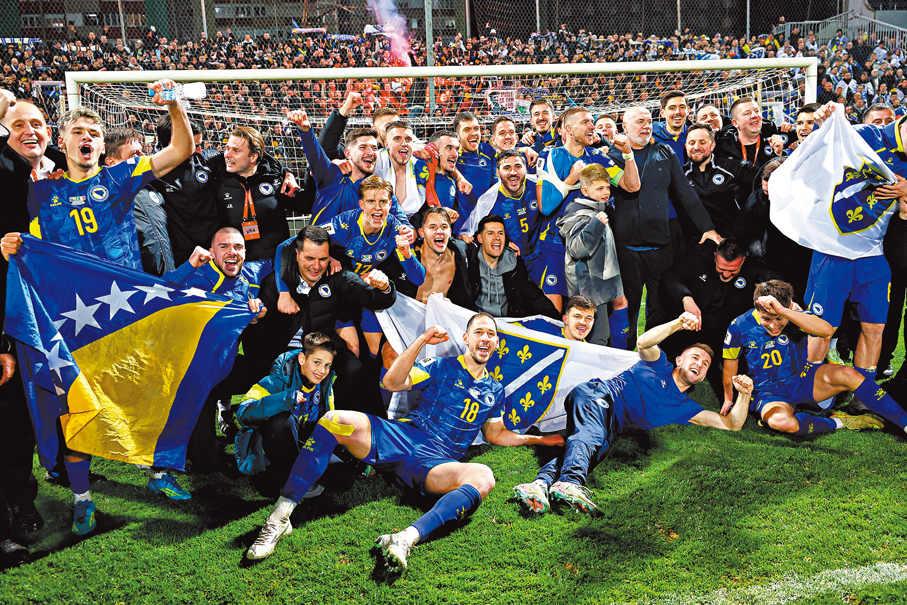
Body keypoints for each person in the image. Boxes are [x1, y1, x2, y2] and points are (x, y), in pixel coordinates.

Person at [2, 79, 194, 536]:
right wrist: (10, 244)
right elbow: (21, 240)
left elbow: (181, 149)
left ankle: (158, 472)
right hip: (75, 320)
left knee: (147, 394)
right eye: (78, 133)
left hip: (127, 312)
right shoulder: (39, 193)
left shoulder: (119, 177)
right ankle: (81, 498)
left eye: (94, 134)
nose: (87, 139)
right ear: (62, 142)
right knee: (78, 407)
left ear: (102, 146)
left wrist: (174, 105)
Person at [245, 314, 564, 568]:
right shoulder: (441, 366)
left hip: (437, 462)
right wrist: (421, 341)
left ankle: (404, 539)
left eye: (491, 334)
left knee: (483, 476)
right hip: (403, 437)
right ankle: (279, 518)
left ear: (496, 344)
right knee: (333, 419)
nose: (485, 337)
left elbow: (495, 434)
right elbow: (392, 381)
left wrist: (536, 439)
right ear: (466, 339)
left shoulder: (495, 391)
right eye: (478, 331)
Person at [512, 311, 753, 515]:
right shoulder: (659, 364)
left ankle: (538, 485)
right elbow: (644, 343)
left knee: (591, 451)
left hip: (612, 425)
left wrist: (744, 395)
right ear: (679, 360)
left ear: (702, 378)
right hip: (598, 395)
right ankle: (570, 482)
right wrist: (678, 323)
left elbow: (731, 424)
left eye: (705, 364)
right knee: (592, 437)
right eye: (695, 357)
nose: (699, 364)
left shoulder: (685, 408)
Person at [804, 102, 907, 406]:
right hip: (833, 249)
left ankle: (864, 392)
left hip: (875, 254)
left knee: (875, 327)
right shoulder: (866, 135)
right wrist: (823, 124)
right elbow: (817, 155)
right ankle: (809, 388)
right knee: (823, 327)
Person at [0, 91, 62, 565]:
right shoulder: (5, 174)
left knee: (22, 418)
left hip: (40, 320)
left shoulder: (51, 173)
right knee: (8, 419)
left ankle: (23, 499)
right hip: (8, 325)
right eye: (17, 124)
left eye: (37, 123)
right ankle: (11, 518)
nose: (29, 131)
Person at [246, 226, 397, 416]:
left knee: (352, 367)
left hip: (321, 349)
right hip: (283, 353)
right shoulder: (275, 284)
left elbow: (375, 298)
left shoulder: (337, 276)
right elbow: (258, 332)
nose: (316, 266)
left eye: (323, 259)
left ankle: (334, 415)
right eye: (310, 258)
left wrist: (385, 287)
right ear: (297, 254)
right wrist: (257, 319)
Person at [722, 280, 907, 436]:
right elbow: (730, 364)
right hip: (769, 393)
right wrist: (728, 398)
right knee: (781, 422)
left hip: (804, 380)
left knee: (849, 374)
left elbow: (825, 331)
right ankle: (840, 421)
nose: (773, 325)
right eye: (767, 319)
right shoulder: (739, 325)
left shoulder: (796, 315)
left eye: (778, 318)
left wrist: (787, 313)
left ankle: (904, 423)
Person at [608, 106, 720, 349]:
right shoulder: (611, 156)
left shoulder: (664, 151)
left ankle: (655, 358)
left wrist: (707, 227)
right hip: (625, 248)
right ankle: (623, 357)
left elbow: (685, 192)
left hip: (661, 245)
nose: (647, 125)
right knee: (627, 307)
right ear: (624, 126)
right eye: (640, 121)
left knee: (660, 308)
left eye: (649, 121)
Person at [277, 176, 424, 358]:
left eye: (383, 202)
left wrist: (407, 255)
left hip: (364, 290)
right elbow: (285, 246)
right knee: (351, 348)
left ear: (390, 205)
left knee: (376, 351)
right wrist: (284, 291)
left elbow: (419, 279)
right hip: (339, 290)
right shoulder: (343, 225)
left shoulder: (395, 230)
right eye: (371, 201)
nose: (377, 207)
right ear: (361, 204)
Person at [537, 107, 640, 312]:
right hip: (557, 244)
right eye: (585, 122)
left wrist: (628, 154)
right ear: (569, 129)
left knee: (615, 303)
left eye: (592, 122)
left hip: (594, 245)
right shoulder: (550, 155)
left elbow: (632, 186)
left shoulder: (597, 157)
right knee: (556, 308)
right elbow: (546, 207)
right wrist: (572, 178)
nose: (592, 127)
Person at [657, 238, 779, 397]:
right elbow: (671, 277)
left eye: (733, 271)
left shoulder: (753, 268)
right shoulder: (698, 261)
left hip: (728, 331)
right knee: (665, 352)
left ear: (743, 261)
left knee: (740, 370)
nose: (726, 275)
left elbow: (777, 283)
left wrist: (789, 304)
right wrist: (686, 298)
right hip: (695, 325)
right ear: (715, 257)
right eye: (722, 269)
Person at [235, 332, 336, 495]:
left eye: (327, 365)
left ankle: (300, 476)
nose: (322, 370)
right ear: (302, 359)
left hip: (304, 445)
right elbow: (243, 413)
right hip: (269, 450)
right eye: (317, 362)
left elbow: (328, 422)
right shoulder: (277, 379)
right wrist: (284, 399)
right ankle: (289, 478)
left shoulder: (325, 385)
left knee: (344, 477)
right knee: (281, 421)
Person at [288, 108, 409, 227]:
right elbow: (315, 155)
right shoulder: (331, 174)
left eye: (374, 148)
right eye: (363, 147)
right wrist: (306, 130)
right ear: (348, 153)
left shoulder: (380, 188)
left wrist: (408, 230)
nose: (371, 152)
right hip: (320, 239)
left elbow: (402, 220)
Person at [556, 164, 629, 347]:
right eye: (599, 188)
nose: (606, 192)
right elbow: (576, 249)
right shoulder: (580, 213)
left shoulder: (597, 210)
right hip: (587, 288)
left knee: (601, 336)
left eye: (607, 187)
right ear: (585, 191)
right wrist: (596, 226)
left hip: (598, 286)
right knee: (597, 339)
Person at [211, 125, 300, 262]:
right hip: (236, 266)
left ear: (253, 157)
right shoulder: (217, 180)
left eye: (236, 150)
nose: (227, 155)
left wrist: (312, 172)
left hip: (275, 264)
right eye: (227, 148)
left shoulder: (276, 179)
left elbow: (306, 204)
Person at [102, 127, 174, 276]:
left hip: (167, 275)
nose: (142, 157)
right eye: (134, 154)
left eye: (142, 152)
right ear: (111, 162)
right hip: (135, 279)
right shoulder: (105, 198)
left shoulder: (152, 187)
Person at [466, 215, 560, 320]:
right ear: (480, 238)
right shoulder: (468, 259)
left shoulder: (514, 263)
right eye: (490, 233)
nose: (497, 237)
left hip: (505, 326)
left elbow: (535, 297)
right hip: (475, 323)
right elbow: (453, 250)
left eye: (500, 233)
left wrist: (558, 322)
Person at [683, 122, 757, 239]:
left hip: (733, 239)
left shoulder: (732, 168)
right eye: (692, 143)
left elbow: (764, 178)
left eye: (702, 142)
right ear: (686, 146)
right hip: (697, 241)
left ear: (712, 145)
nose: (696, 147)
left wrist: (738, 226)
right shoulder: (680, 175)